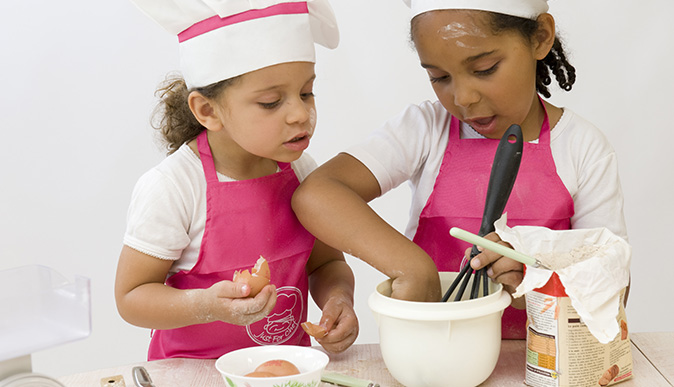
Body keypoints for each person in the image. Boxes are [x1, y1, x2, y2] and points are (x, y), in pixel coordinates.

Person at [292, 0, 627, 339]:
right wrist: (413, 267)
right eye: (439, 77)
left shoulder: (582, 147)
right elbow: (317, 194)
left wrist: (535, 274)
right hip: (434, 356)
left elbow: (613, 285)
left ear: (540, 37)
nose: (463, 98)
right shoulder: (425, 129)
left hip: (542, 363)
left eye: (485, 69)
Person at [115, 0, 358, 360]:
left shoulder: (303, 172)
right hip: (191, 374)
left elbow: (326, 264)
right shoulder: (175, 186)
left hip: (285, 370)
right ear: (208, 110)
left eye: (306, 92)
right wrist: (206, 305)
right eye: (271, 102)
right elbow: (132, 296)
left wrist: (338, 298)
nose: (300, 114)